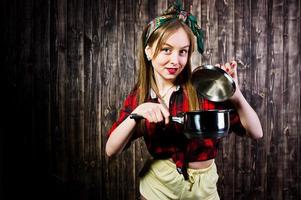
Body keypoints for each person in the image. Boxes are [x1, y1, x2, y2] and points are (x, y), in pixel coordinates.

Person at [105, 1, 263, 199]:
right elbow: (111, 149)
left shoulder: (203, 88)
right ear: (148, 51)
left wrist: (235, 94)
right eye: (166, 50)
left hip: (203, 191)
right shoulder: (140, 96)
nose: (175, 60)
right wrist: (137, 114)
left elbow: (256, 132)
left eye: (183, 51)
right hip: (158, 189)